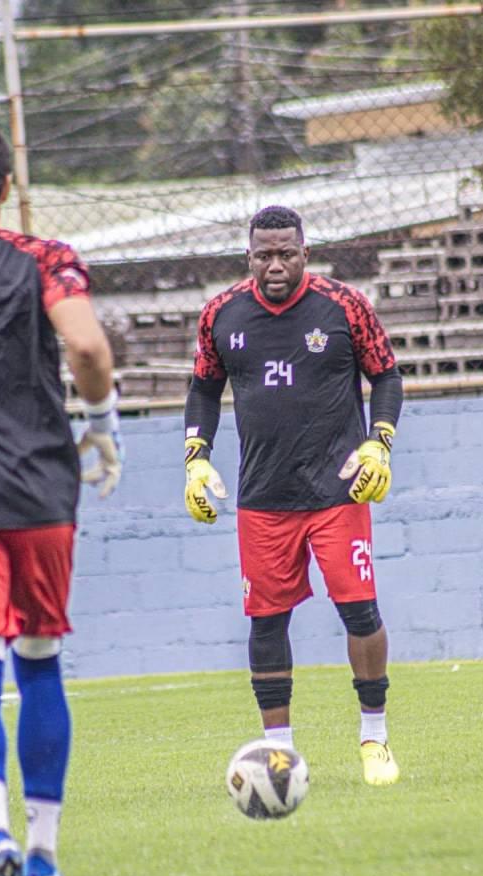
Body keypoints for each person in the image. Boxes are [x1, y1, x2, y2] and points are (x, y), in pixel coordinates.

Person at [0, 120, 122, 876]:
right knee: (39, 664)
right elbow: (87, 350)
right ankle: (43, 863)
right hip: (43, 492)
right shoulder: (42, 257)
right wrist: (101, 424)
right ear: (8, 188)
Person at [184, 205, 403, 786]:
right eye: (264, 254)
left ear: (305, 252)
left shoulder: (344, 306)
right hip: (263, 496)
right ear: (248, 256)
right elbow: (204, 388)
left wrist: (379, 444)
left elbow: (387, 375)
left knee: (359, 611)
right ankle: (278, 754)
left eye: (286, 253)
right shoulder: (220, 314)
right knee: (266, 621)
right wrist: (196, 458)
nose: (275, 264)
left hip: (338, 491)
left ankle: (374, 737)